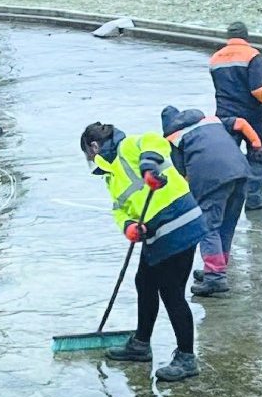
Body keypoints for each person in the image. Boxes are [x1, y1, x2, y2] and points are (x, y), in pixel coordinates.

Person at [80, 121, 207, 382]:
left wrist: (150, 166)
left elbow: (155, 142)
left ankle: (186, 357)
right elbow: (120, 208)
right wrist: (128, 226)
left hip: (179, 223)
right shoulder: (111, 175)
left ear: (94, 146)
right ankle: (140, 344)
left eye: (88, 154)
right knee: (145, 282)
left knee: (171, 292)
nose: (90, 160)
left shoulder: (131, 145)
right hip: (156, 232)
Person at [160, 106, 262, 297]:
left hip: (212, 178)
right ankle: (216, 268)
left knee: (208, 227)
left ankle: (215, 278)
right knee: (227, 224)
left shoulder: (173, 139)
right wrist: (256, 144)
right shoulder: (210, 120)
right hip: (241, 171)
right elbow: (241, 123)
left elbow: (184, 176)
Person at [209, 22, 262, 209]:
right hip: (250, 116)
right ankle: (254, 199)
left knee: (227, 157)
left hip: (225, 117)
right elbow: (259, 91)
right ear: (246, 36)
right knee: (257, 155)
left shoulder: (215, 58)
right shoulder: (252, 55)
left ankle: (220, 200)